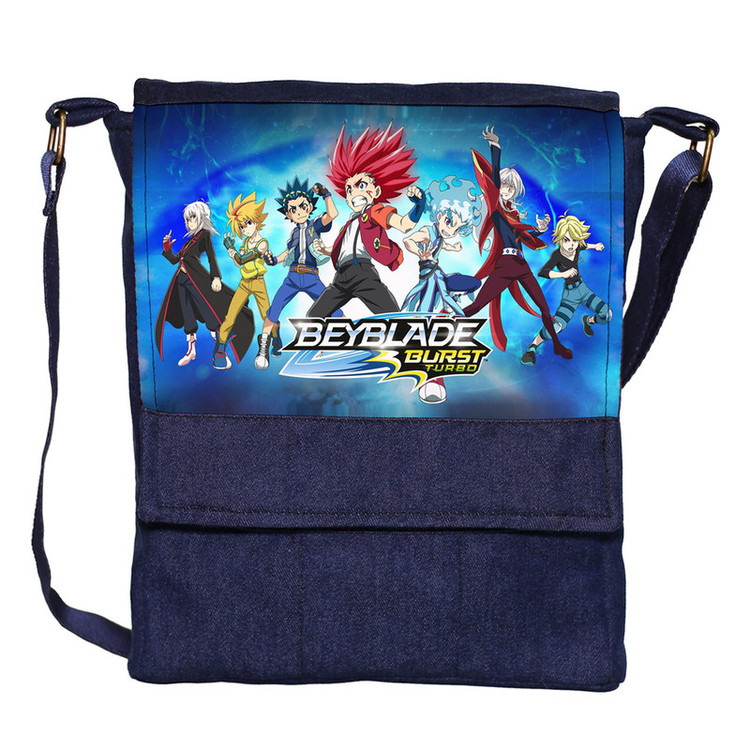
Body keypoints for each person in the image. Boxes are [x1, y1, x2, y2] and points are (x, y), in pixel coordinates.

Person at [463, 127, 572, 361]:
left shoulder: (515, 214)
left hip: (521, 266)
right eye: (505, 186)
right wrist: (495, 147)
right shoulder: (496, 207)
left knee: (544, 308)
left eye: (511, 187)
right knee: (477, 306)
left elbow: (525, 238)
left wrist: (540, 230)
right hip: (504, 266)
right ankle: (440, 325)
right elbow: (494, 182)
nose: (507, 190)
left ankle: (557, 346)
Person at [307, 123, 426, 318]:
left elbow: (404, 225)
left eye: (361, 185)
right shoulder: (348, 224)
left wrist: (419, 206)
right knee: (313, 317)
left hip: (363, 273)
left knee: (392, 317)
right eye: (349, 189)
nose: (354, 193)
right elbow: (344, 249)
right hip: (341, 278)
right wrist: (325, 250)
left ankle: (401, 335)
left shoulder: (374, 212)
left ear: (376, 191)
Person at [154, 200, 254, 366]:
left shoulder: (204, 235)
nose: (189, 223)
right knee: (187, 314)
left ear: (201, 217)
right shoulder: (188, 242)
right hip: (181, 280)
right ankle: (191, 351)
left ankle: (221, 350)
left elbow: (211, 256)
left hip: (196, 279)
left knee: (208, 310)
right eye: (188, 220)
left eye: (193, 218)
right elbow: (175, 260)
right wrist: (167, 249)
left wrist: (216, 277)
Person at [521, 212, 610, 365]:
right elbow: (544, 272)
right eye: (567, 240)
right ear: (561, 238)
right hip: (570, 295)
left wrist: (595, 246)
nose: (571, 245)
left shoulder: (577, 247)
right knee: (556, 327)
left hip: (583, 289)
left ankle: (588, 321)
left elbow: (583, 245)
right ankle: (532, 347)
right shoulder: (557, 255)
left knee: (606, 314)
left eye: (574, 240)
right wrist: (563, 274)